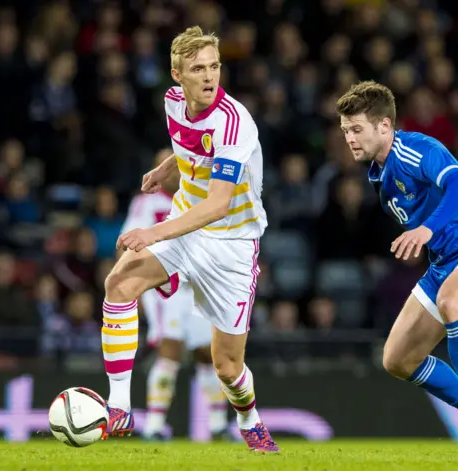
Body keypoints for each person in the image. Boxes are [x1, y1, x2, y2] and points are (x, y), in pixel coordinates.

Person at [100, 26, 277, 452]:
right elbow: (189, 146)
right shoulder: (173, 102)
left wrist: (152, 233)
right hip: (186, 226)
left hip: (231, 245)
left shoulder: (234, 123)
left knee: (226, 366)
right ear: (177, 74)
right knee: (118, 284)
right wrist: (168, 167)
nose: (209, 76)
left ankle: (250, 420)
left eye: (214, 66)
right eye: (198, 68)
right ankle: (119, 407)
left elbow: (217, 204)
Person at [336, 81, 458, 451]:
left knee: (453, 302)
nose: (349, 138)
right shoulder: (379, 174)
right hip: (444, 265)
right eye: (345, 131)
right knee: (398, 360)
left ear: (384, 126)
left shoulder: (417, 148)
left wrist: (425, 229)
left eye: (356, 129)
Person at [119, 148, 229, 441]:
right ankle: (155, 426)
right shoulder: (147, 202)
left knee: (207, 352)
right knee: (170, 347)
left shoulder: (201, 200)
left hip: (196, 285)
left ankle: (217, 423)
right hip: (164, 286)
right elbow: (131, 242)